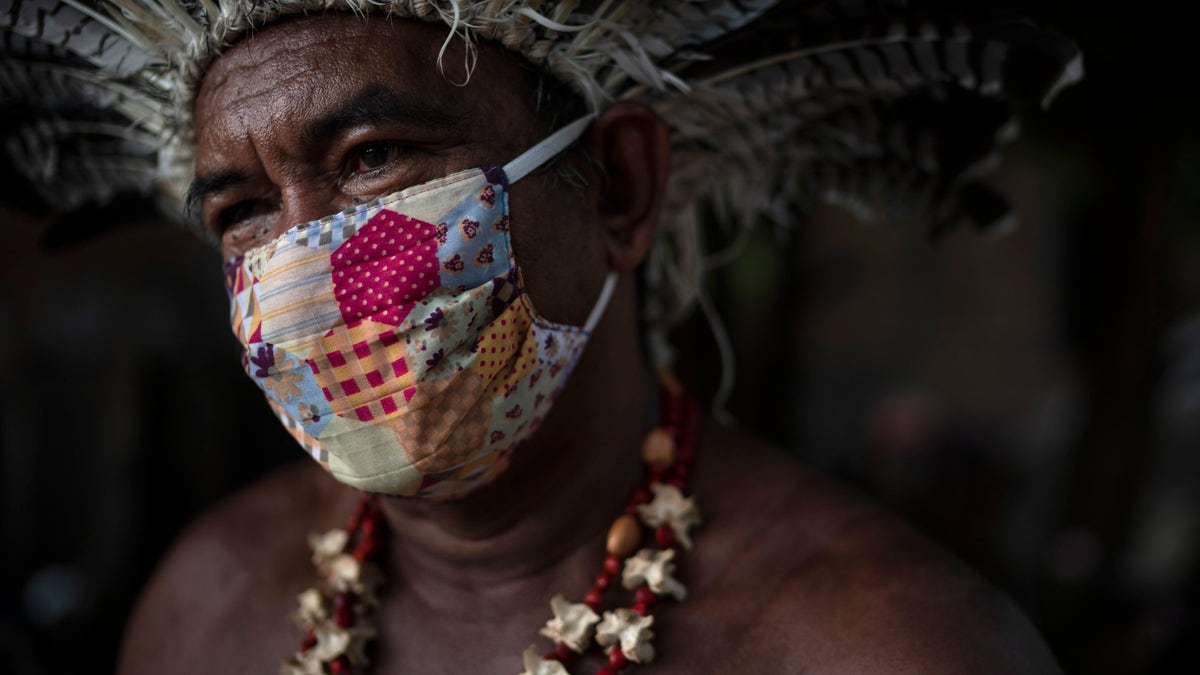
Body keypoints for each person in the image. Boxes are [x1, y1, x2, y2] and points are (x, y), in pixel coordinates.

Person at [0, 2, 1080, 673]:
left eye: (373, 156)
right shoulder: (212, 604)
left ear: (617, 187)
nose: (301, 275)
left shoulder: (889, 649)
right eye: (240, 208)